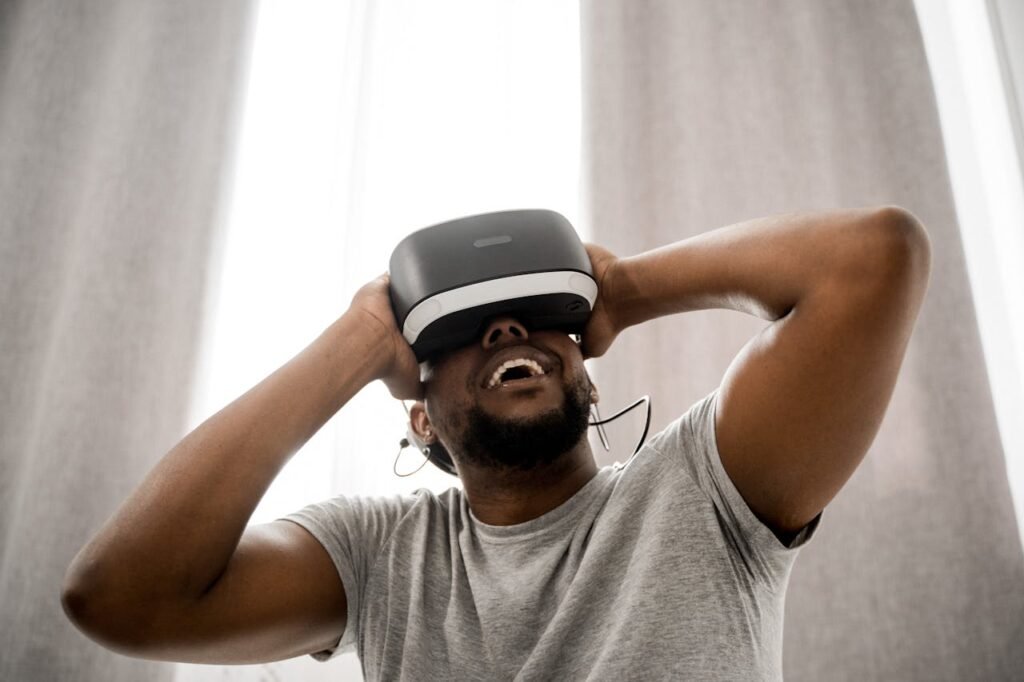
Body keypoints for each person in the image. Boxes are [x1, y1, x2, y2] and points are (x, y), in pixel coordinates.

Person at [61, 206, 931, 680]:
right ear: (420, 417)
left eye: (534, 320)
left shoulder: (703, 491)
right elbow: (119, 598)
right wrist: (361, 339)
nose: (509, 326)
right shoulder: (379, 557)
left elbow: (874, 259)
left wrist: (623, 288)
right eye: (465, 332)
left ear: (585, 373)